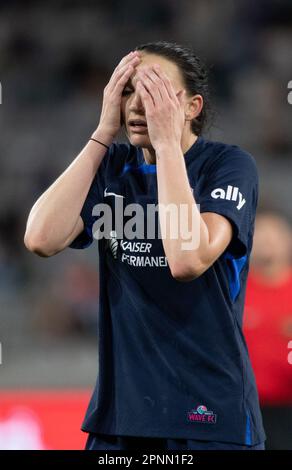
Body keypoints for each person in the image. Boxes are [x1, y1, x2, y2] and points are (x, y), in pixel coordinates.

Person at [24, 41, 266, 450]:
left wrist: (168, 145)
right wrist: (102, 132)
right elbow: (40, 239)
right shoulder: (113, 168)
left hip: (209, 418)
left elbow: (187, 258)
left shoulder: (228, 166)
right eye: (129, 90)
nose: (138, 105)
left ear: (191, 107)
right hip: (121, 417)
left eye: (154, 91)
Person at [243, 211, 292, 450]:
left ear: (288, 239)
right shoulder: (235, 290)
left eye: (274, 233)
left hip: (287, 410)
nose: (267, 240)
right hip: (243, 409)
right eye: (260, 233)